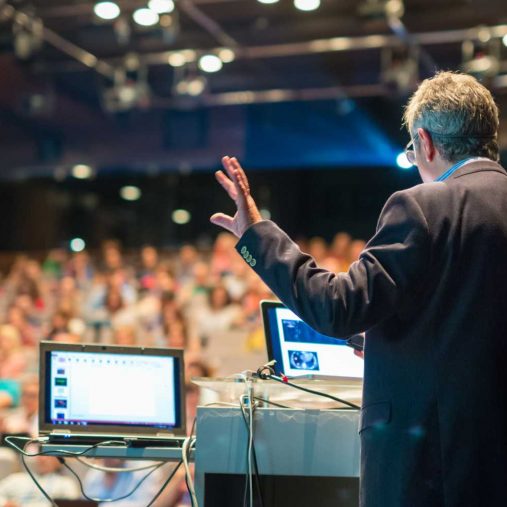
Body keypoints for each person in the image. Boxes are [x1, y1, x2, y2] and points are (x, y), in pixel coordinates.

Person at [210, 71, 507, 507]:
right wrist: (391, 341)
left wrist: (257, 234)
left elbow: (337, 308)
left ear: (424, 143)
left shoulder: (425, 205)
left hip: (430, 467)